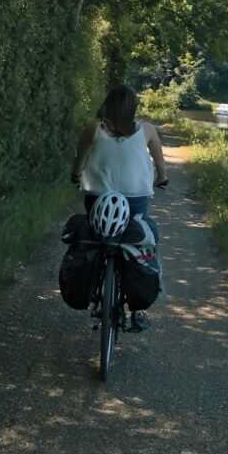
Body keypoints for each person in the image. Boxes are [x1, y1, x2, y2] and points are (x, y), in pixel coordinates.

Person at [70, 84, 168, 328]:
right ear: (133, 107)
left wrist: (76, 175)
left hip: (97, 198)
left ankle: (93, 284)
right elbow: (159, 158)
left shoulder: (94, 128)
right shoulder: (146, 130)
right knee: (138, 240)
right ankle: (136, 305)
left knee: (96, 238)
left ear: (108, 104)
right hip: (134, 200)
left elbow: (79, 157)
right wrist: (161, 178)